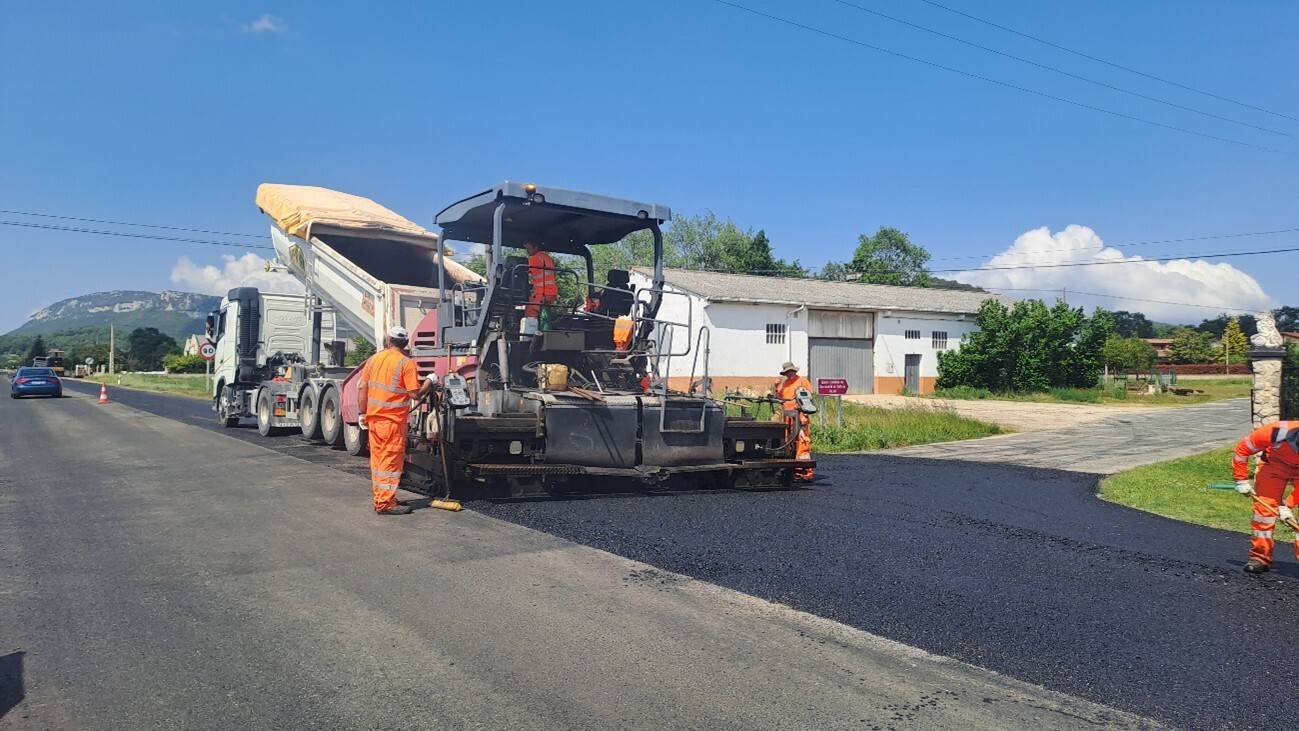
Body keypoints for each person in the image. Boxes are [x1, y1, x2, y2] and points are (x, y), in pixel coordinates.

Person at [356, 326, 435, 515]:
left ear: (388, 341)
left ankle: (383, 497)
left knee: (378, 462)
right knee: (390, 463)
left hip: (374, 421)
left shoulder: (374, 359)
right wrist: (430, 381)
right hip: (392, 423)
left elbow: (361, 387)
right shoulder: (406, 363)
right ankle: (385, 504)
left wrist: (362, 413)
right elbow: (415, 395)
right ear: (406, 343)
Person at [1232, 420, 1299, 573]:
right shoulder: (1275, 431)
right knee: (1264, 513)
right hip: (1273, 465)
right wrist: (1240, 479)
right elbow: (1242, 450)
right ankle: (1260, 558)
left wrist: (1287, 505)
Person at [772, 361, 814, 482]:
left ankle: (805, 471)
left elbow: (808, 399)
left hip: (799, 415)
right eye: (787, 372)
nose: (789, 373)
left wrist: (804, 415)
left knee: (802, 442)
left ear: (794, 371)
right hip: (787, 416)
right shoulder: (784, 383)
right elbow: (779, 397)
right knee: (788, 443)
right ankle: (792, 469)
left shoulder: (802, 381)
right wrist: (776, 387)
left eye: (791, 371)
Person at [523, 240, 558, 325]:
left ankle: (530, 332)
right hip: (551, 291)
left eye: (529, 249)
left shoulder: (534, 258)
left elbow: (524, 270)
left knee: (531, 311)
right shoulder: (545, 257)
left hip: (542, 292)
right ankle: (543, 329)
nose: (527, 251)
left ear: (536, 247)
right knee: (544, 313)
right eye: (526, 249)